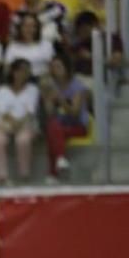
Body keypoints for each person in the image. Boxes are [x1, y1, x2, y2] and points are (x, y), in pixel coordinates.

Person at [0, 59, 38, 184]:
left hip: (25, 123)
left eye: (27, 71)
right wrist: (12, 124)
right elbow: (2, 112)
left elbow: (30, 111)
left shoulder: (33, 89)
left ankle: (24, 174)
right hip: (5, 124)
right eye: (21, 71)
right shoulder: (2, 90)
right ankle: (2, 175)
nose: (24, 74)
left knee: (23, 140)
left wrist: (19, 124)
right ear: (13, 72)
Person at [42, 54, 88, 182]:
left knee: (53, 129)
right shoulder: (52, 85)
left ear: (66, 68)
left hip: (77, 125)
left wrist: (61, 100)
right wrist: (48, 99)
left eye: (59, 66)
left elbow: (75, 113)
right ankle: (60, 159)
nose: (56, 70)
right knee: (53, 126)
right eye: (53, 67)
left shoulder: (77, 86)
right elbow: (50, 113)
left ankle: (52, 173)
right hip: (59, 125)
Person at [3, 13, 54, 79]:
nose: (29, 29)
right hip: (20, 81)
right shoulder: (13, 46)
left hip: (43, 80)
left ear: (37, 28)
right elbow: (7, 68)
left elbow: (52, 66)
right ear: (20, 28)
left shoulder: (46, 45)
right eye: (25, 26)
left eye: (32, 26)